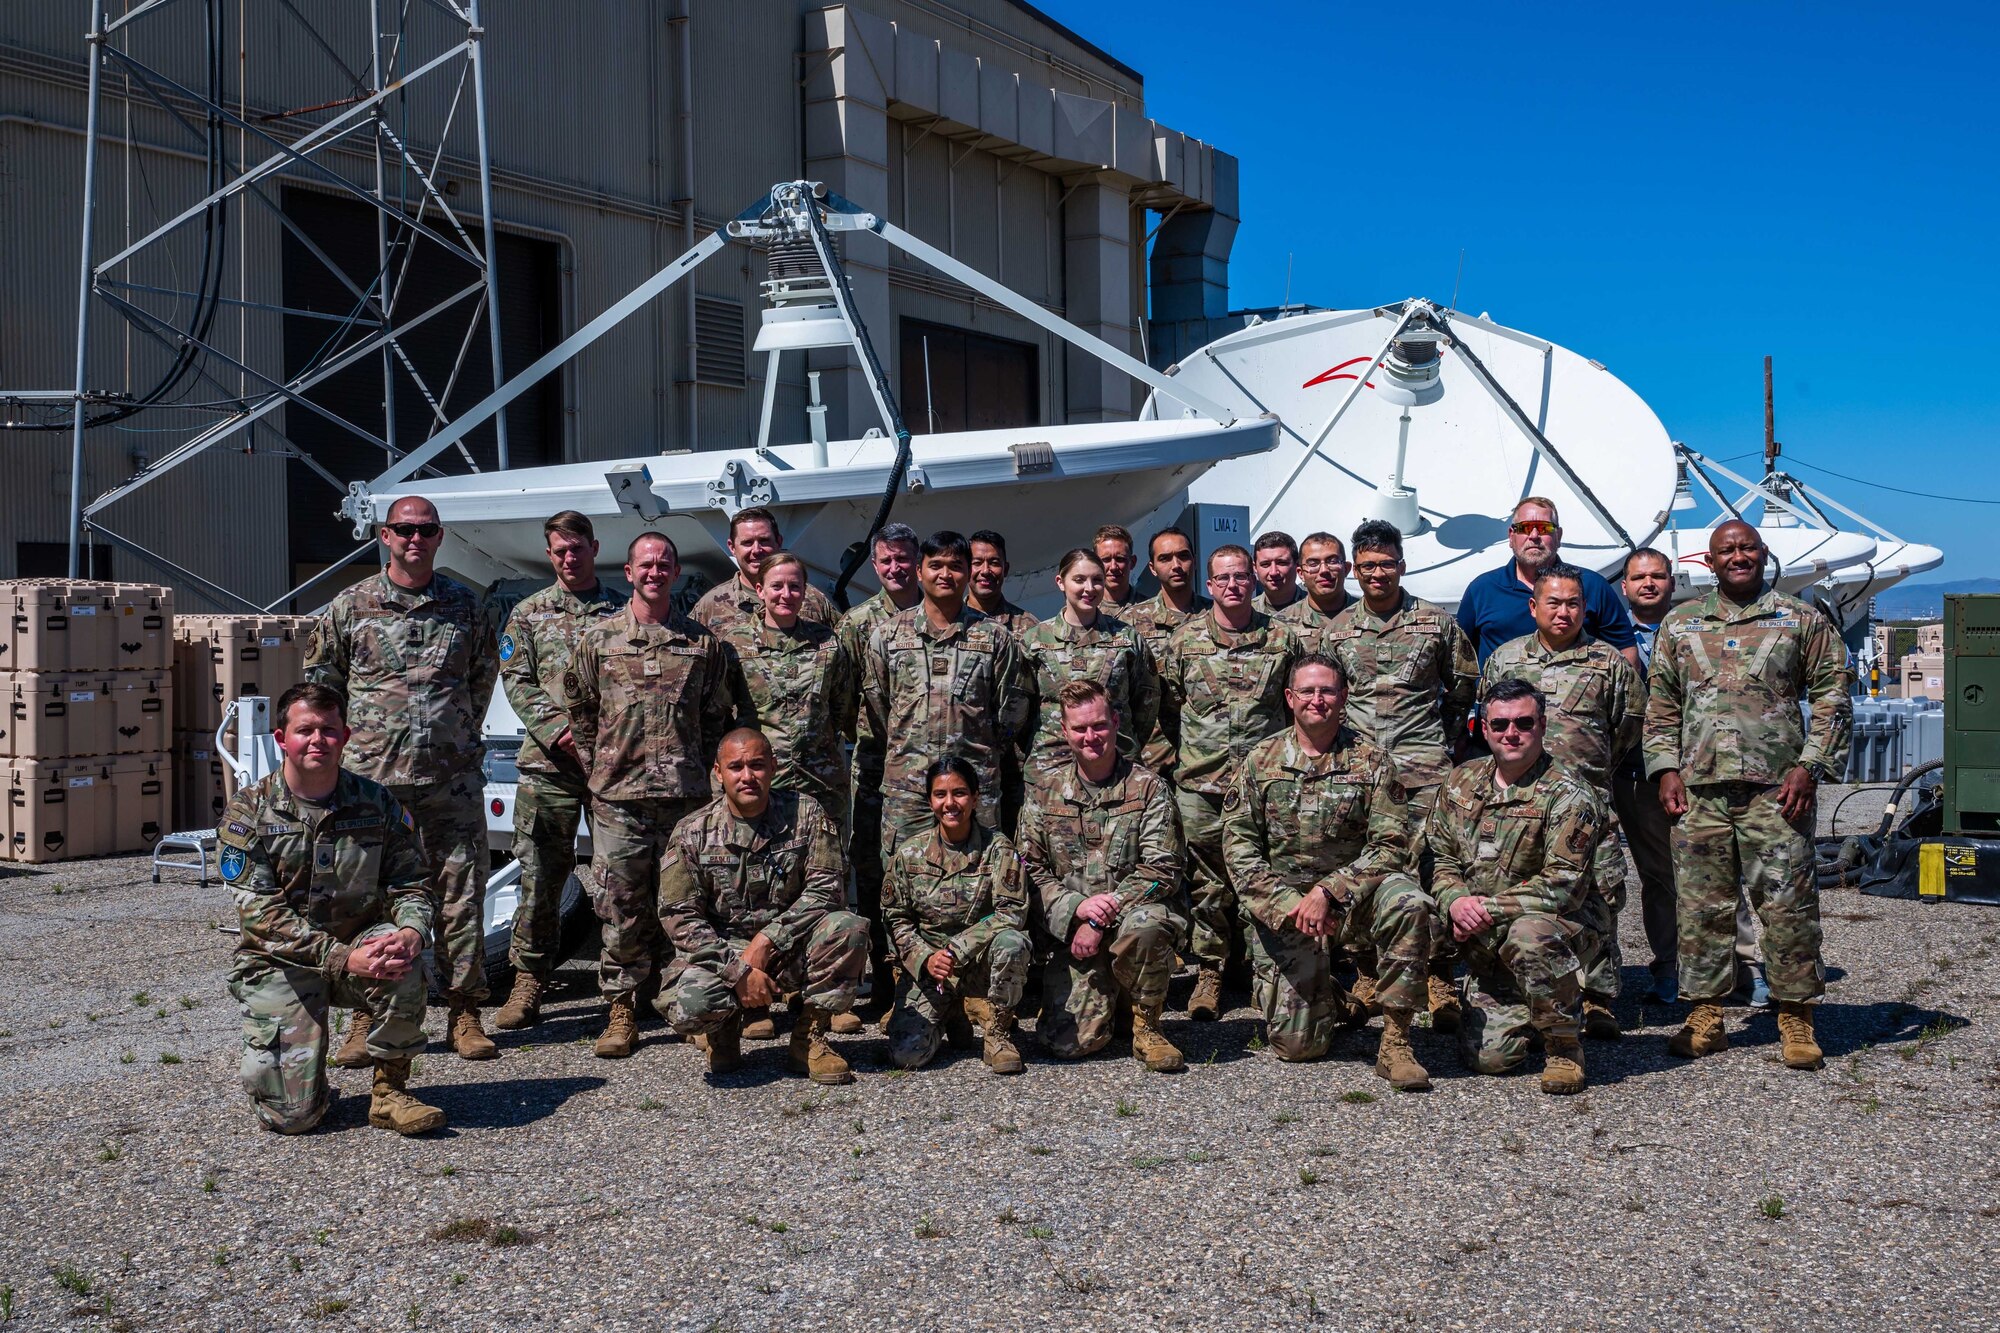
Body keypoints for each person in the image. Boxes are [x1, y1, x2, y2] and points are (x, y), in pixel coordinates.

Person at [1646, 520, 1852, 1070]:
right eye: (1726, 550)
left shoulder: (1800, 619)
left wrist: (1810, 766)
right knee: (1700, 909)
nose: (1738, 556)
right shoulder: (1680, 625)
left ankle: (1795, 1016)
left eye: (1747, 548)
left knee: (1787, 904)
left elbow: (1834, 697)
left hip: (1777, 791)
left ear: (1763, 554)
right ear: (1708, 562)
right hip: (1699, 792)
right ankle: (1706, 1015)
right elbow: (1661, 705)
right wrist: (1665, 769)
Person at [307, 494, 501, 1062]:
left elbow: (482, 679)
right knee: (366, 898)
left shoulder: (465, 606)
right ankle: (366, 1014)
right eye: (403, 529)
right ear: (384, 536)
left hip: (451, 780)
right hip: (373, 783)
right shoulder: (349, 606)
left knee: (461, 894)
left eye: (425, 530)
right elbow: (324, 688)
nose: (414, 538)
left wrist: (452, 734)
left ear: (439, 537)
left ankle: (464, 1012)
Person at [221, 684, 443, 1135]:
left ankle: (390, 1093)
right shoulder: (249, 811)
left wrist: (412, 932)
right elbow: (261, 915)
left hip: (361, 946)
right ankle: (307, 1087)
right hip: (281, 961)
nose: (317, 739)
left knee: (403, 958)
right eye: (305, 730)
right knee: (292, 1119)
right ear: (282, 739)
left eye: (329, 730)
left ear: (345, 737)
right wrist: (343, 958)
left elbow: (412, 883)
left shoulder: (376, 802)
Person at [1221, 656, 1433, 1087]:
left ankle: (1396, 1042)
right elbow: (1239, 846)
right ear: (1290, 698)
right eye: (1308, 691)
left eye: (1328, 691)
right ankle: (1334, 999)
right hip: (1287, 907)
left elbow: (1390, 845)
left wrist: (1330, 891)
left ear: (1344, 698)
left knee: (1410, 902)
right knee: (1299, 1048)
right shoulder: (1261, 762)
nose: (1317, 700)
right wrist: (1291, 903)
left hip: (1354, 901)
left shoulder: (1373, 761)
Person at [564, 532, 734, 1058]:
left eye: (664, 563)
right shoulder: (599, 640)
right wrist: (603, 766)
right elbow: (581, 711)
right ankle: (621, 1007)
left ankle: (689, 1001)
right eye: (645, 563)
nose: (655, 571)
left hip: (685, 798)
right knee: (620, 903)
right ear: (630, 570)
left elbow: (714, 718)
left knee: (686, 902)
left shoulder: (702, 644)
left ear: (676, 573)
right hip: (618, 798)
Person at [1479, 563, 1643, 1040]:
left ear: (1585, 607)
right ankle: (1530, 991)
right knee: (1527, 893)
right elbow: (1491, 721)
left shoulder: (1608, 662)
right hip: (1522, 808)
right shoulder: (1505, 660)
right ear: (1534, 606)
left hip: (1590, 805)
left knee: (1600, 896)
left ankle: (1599, 998)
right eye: (1553, 602)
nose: (1564, 611)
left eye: (1573, 603)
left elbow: (1629, 726)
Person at [1325, 519, 1477, 1028]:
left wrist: (1439, 744)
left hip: (1424, 772)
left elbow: (1462, 690)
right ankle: (1368, 973)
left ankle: (1439, 979)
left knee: (1434, 871)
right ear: (1354, 570)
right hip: (1360, 775)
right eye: (1366, 566)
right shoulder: (1338, 631)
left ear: (1402, 565)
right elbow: (1327, 699)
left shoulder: (1436, 624)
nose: (1377, 574)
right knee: (1364, 870)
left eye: (1386, 564)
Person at [658, 729, 867, 1083]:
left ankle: (809, 1039)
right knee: (691, 1005)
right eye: (736, 767)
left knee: (848, 928)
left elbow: (827, 890)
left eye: (756, 765)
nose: (747, 776)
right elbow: (680, 917)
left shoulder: (807, 814)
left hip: (791, 948)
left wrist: (767, 940)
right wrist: (738, 973)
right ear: (718, 773)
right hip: (725, 953)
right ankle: (722, 1032)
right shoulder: (692, 832)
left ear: (773, 766)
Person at [1429, 678, 1606, 1094]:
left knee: (1529, 935)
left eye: (1524, 723)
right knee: (1490, 1059)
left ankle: (1563, 1043)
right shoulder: (1460, 782)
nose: (1512, 733)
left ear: (1542, 726)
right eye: (1501, 724)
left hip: (1559, 928)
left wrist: (1483, 910)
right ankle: (1525, 1001)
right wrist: (1454, 902)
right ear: (1485, 729)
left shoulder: (1569, 794)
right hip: (1485, 937)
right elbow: (1441, 859)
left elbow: (1563, 885)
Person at [492, 511, 625, 1031]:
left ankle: (631, 982)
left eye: (578, 548)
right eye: (560, 551)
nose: (571, 558)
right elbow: (516, 681)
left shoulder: (622, 610)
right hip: (550, 763)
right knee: (542, 873)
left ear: (595, 547)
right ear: (550, 555)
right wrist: (559, 732)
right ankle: (528, 981)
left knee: (621, 876)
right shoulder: (527, 615)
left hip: (614, 766)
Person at [1159, 544, 1303, 1021]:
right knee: (1208, 883)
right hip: (1202, 784)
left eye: (1241, 576)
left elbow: (1296, 707)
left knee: (1266, 876)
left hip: (1266, 785)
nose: (1233, 585)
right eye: (1223, 579)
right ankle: (1210, 970)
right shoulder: (1183, 643)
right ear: (1209, 584)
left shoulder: (1283, 640)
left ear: (1254, 580)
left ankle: (1267, 970)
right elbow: (1165, 704)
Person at [1016, 681, 1187, 1071]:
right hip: (1072, 933)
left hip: (1129, 923)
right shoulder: (1045, 793)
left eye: (1098, 726)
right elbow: (1028, 867)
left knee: (1148, 923)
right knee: (1066, 1044)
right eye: (1079, 729)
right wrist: (1076, 910)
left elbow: (1163, 870)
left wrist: (1101, 914)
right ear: (1064, 731)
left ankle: (1148, 1025)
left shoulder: (1148, 789)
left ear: (1114, 722)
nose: (1090, 737)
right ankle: (1114, 999)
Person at [734, 550, 862, 1039]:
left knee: (828, 883)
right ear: (760, 591)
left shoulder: (830, 646)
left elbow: (845, 710)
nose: (786, 595)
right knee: (756, 885)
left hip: (821, 785)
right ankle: (758, 995)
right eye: (777, 586)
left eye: (795, 586)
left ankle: (828, 995)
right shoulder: (736, 646)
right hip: (762, 787)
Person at [881, 757, 1030, 1074]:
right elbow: (896, 920)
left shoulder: (998, 850)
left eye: (960, 793)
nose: (950, 803)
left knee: (1013, 942)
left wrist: (956, 949)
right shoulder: (909, 855)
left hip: (978, 964)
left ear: (975, 798)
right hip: (931, 971)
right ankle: (949, 1013)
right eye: (940, 794)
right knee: (908, 1056)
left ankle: (998, 1033)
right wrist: (926, 957)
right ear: (930, 799)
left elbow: (1012, 911)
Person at [839, 522, 923, 1009]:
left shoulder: (943, 614)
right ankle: (884, 980)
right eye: (886, 560)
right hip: (875, 769)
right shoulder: (856, 624)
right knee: (873, 873)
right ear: (875, 565)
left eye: (903, 559)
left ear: (918, 561)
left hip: (935, 773)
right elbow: (845, 699)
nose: (895, 568)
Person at [1617, 548, 1697, 1003]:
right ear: (1624, 586)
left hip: (1698, 767)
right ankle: (1669, 968)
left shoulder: (1697, 628)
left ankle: (1741, 966)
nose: (1649, 584)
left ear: (1673, 581)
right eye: (1638, 578)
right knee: (1657, 875)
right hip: (1635, 771)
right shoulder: (1611, 638)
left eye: (1658, 576)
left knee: (1717, 874)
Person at [1019, 548, 1158, 782]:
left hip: (1116, 765)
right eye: (1079, 580)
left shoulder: (1127, 639)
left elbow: (1146, 702)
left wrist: (1121, 736)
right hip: (1051, 766)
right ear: (1060, 582)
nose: (1089, 588)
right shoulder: (1035, 640)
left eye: (1097, 580)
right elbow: (1019, 710)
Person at [1455, 497, 1639, 669]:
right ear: (1511, 536)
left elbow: (1625, 649)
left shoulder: (1592, 586)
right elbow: (1459, 656)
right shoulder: (1482, 590)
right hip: (1504, 701)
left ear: (1558, 535)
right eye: (1525, 528)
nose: (1534, 536)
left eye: (1544, 528)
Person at [1121, 526, 1210, 773]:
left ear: (1194, 559)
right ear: (1152, 568)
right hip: (1153, 757)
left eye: (1183, 556)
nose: (1176, 565)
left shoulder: (1217, 617)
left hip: (1207, 755)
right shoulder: (1130, 623)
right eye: (1165, 558)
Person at [688, 506, 840, 640]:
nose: (756, 550)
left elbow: (843, 649)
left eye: (764, 541)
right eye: (747, 543)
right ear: (732, 547)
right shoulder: (711, 606)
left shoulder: (812, 599)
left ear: (779, 542)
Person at [1274, 531, 1350, 653]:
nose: (1324, 570)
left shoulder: (1368, 617)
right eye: (1313, 563)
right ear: (1301, 573)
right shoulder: (1280, 625)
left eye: (1332, 561)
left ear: (1346, 568)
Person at [967, 529, 1039, 635]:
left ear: (1005, 569)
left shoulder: (1029, 627)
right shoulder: (949, 619)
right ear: (965, 569)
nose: (985, 571)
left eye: (994, 563)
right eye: (977, 563)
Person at [1252, 531, 1301, 612]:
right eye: (1265, 564)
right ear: (1255, 568)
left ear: (1297, 565)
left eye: (1281, 563)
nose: (1273, 572)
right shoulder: (1246, 613)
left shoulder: (1320, 608)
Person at [1093, 524, 1138, 610]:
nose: (1113, 567)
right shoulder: (1083, 613)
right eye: (1106, 559)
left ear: (1132, 562)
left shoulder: (1153, 612)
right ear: (1095, 564)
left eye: (1120, 559)